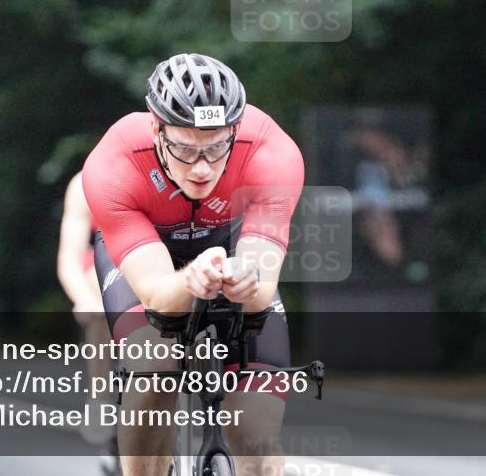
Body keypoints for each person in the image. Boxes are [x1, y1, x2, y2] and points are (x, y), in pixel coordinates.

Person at [83, 53, 304, 476]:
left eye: (217, 147)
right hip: (148, 254)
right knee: (153, 366)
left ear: (235, 131)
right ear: (156, 129)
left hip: (232, 246)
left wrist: (243, 277)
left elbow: (258, 292)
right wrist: (192, 279)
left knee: (257, 447)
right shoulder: (115, 163)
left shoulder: (271, 153)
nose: (202, 168)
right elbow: (160, 298)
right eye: (185, 149)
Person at [55, 171, 120, 473]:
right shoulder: (84, 184)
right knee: (98, 287)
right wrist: (85, 300)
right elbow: (69, 258)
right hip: (105, 268)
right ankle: (101, 396)